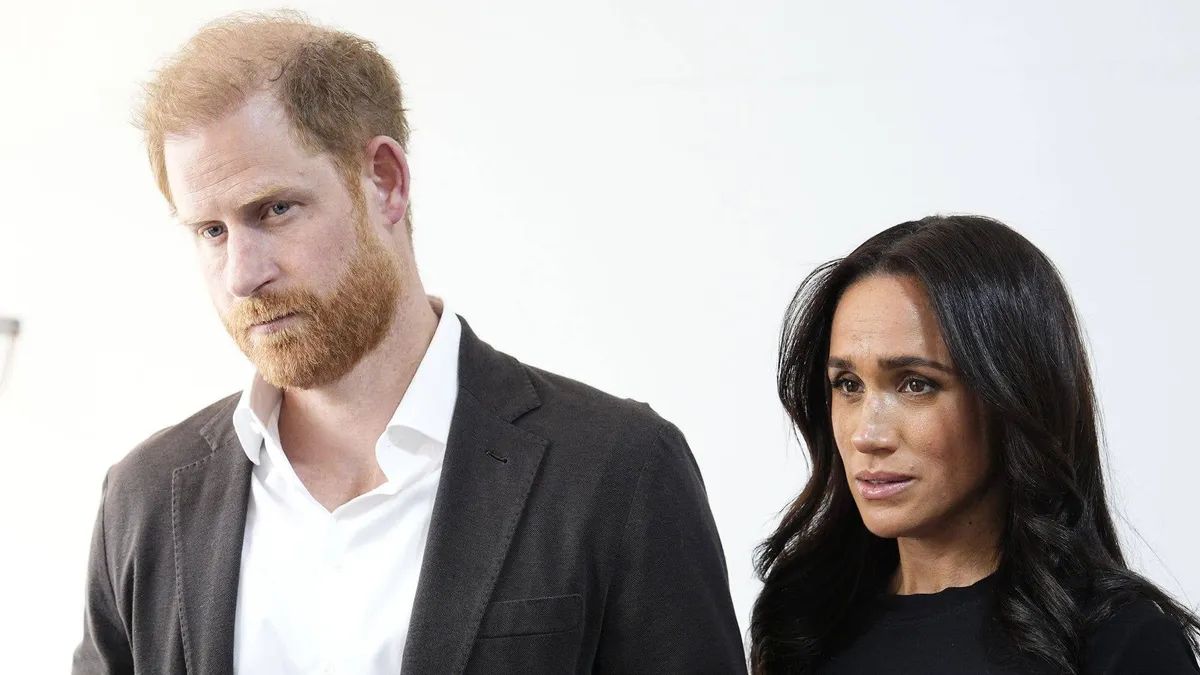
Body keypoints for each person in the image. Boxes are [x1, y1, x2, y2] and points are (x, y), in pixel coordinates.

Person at [72, 11, 745, 675]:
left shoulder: (617, 470)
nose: (242, 275)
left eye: (275, 210)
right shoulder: (142, 499)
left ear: (386, 182)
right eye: (211, 231)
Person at [750, 215, 1200, 674]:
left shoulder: (1117, 644)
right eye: (848, 384)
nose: (867, 435)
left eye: (916, 384)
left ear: (1013, 394)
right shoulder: (802, 623)